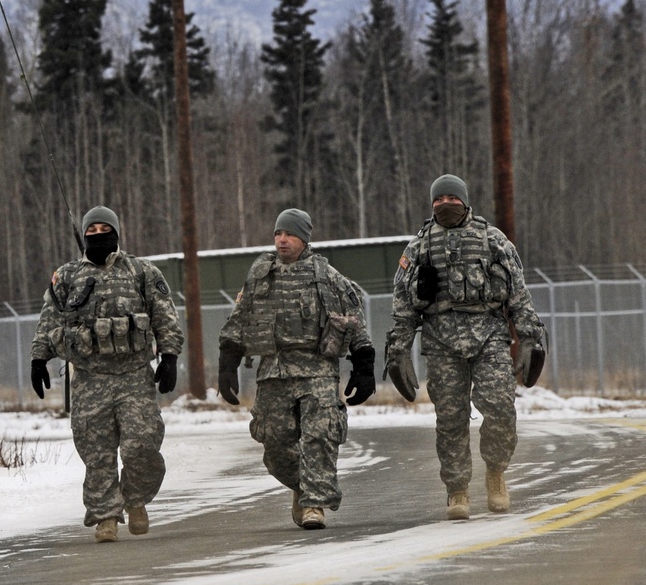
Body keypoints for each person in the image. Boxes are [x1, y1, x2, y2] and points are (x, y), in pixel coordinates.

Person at [385, 174, 545, 520]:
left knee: (501, 409)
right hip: (442, 344)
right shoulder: (419, 247)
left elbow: (519, 295)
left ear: (465, 200)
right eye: (438, 200)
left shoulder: (493, 241)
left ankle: (496, 473)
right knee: (451, 420)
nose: (444, 204)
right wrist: (398, 349)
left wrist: (531, 336)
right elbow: (403, 305)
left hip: (489, 338)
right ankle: (457, 490)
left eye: (451, 198)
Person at [30, 205, 184, 542]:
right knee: (96, 453)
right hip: (89, 378)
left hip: (133, 377)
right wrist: (39, 357)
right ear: (83, 235)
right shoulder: (68, 276)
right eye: (92, 230)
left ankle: (136, 498)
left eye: (104, 229)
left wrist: (169, 356)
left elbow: (165, 317)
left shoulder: (141, 272)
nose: (98, 235)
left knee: (141, 446)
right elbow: (50, 319)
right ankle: (106, 518)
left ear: (116, 232)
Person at [217, 208, 376, 530]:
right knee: (274, 442)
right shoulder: (261, 276)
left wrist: (364, 361)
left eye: (289, 234)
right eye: (278, 234)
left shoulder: (327, 276)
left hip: (317, 369)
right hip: (274, 370)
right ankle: (304, 487)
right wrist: (228, 361)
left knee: (320, 436)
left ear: (304, 238)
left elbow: (353, 318)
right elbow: (241, 317)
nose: (282, 240)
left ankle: (314, 504)